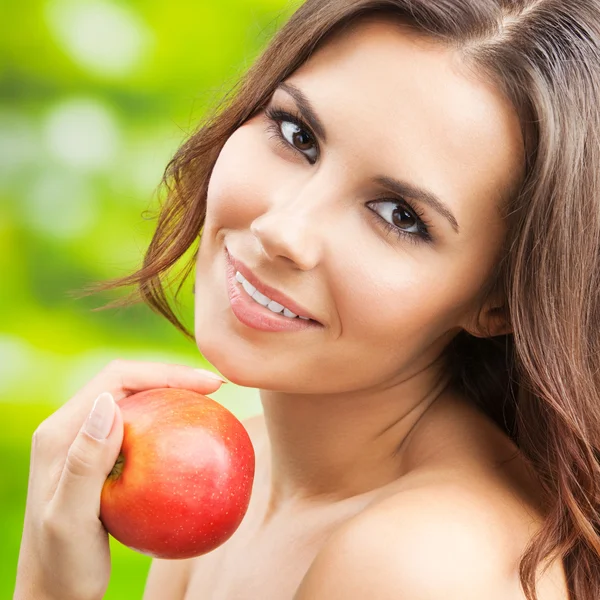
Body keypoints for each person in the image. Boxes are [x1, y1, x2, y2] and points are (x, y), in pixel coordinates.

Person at [14, 0, 600, 599]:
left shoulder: (421, 566)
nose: (283, 229)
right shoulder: (245, 472)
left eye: (399, 216)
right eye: (298, 135)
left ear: (499, 303)